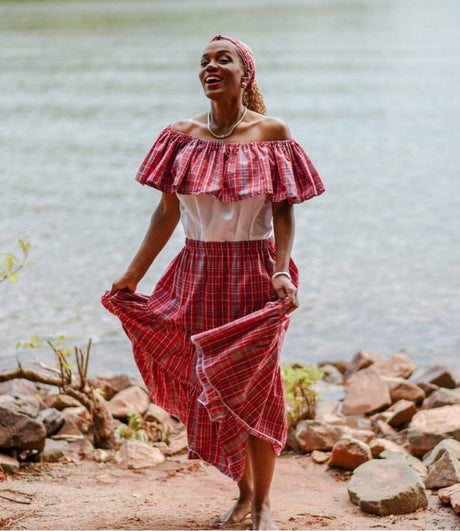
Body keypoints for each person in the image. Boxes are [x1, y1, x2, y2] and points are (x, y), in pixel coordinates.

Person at [102, 34, 324, 530]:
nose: (211, 66)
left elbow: (284, 213)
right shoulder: (179, 136)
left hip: (255, 275)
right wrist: (132, 275)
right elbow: (165, 214)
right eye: (204, 61)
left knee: (258, 389)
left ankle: (265, 504)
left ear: (246, 73)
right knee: (211, 390)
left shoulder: (271, 132)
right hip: (195, 275)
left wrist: (282, 270)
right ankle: (244, 492)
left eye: (223, 59)